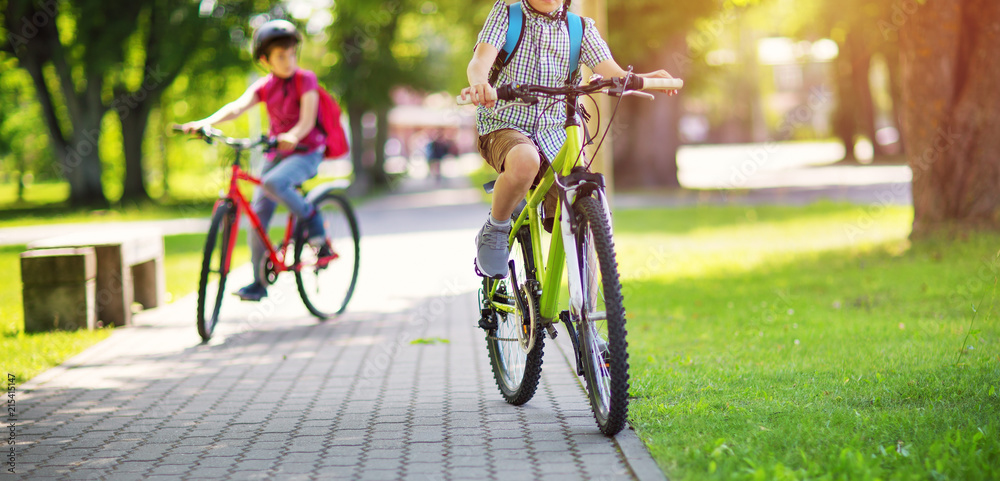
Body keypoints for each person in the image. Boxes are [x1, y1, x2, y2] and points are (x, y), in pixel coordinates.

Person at [460, 0, 678, 279]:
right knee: (526, 161)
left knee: (575, 199)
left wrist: (642, 79)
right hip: (505, 121)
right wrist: (481, 84)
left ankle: (583, 302)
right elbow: (480, 61)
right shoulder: (507, 13)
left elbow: (612, 71)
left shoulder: (579, 27)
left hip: (556, 129)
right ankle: (496, 227)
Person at [180, 19, 330, 301]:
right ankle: (259, 281)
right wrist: (205, 122)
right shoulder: (265, 87)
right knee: (257, 215)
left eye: (292, 54)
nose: (289, 61)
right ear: (266, 60)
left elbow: (308, 120)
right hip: (277, 153)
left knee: (273, 182)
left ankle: (312, 219)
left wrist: (293, 135)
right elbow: (237, 107)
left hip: (306, 151)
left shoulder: (305, 79)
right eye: (281, 56)